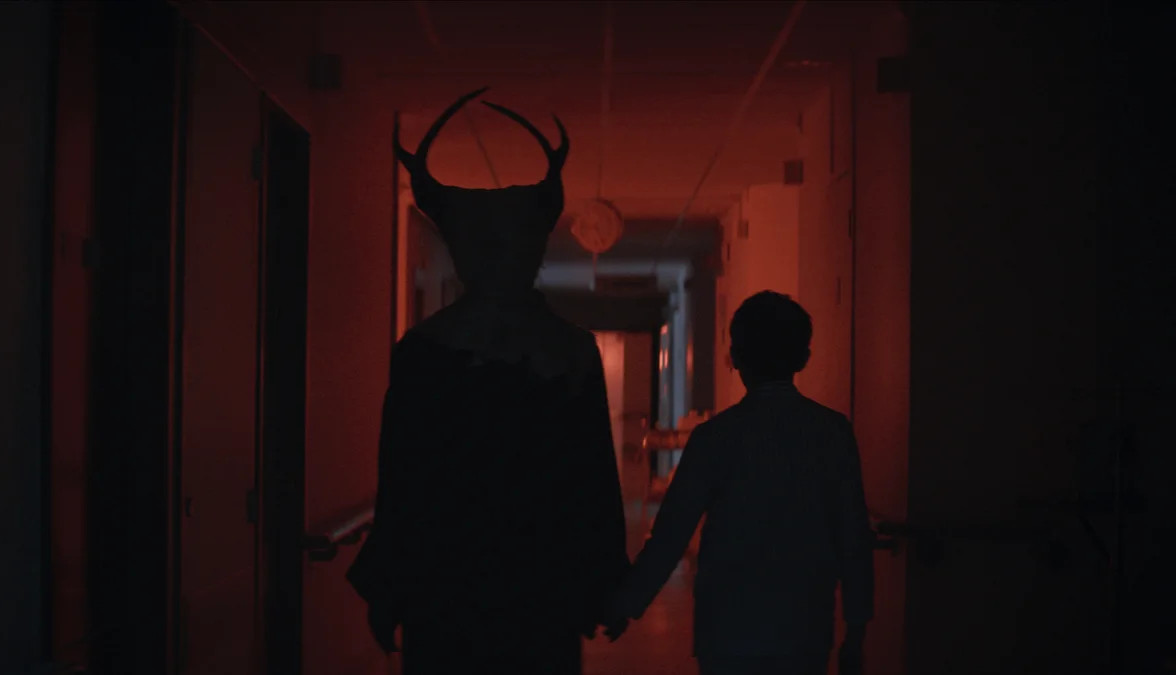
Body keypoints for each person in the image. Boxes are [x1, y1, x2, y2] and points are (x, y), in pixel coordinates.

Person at [346, 88, 628, 675]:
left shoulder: (424, 350)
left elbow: (403, 481)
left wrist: (390, 587)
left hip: (446, 588)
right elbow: (592, 478)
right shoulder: (569, 351)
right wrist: (603, 581)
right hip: (539, 586)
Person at [604, 291, 875, 675]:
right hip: (804, 630)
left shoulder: (714, 438)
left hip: (727, 630)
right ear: (804, 358)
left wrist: (626, 604)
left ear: (736, 357)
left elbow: (671, 535)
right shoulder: (833, 434)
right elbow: (853, 537)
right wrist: (857, 630)